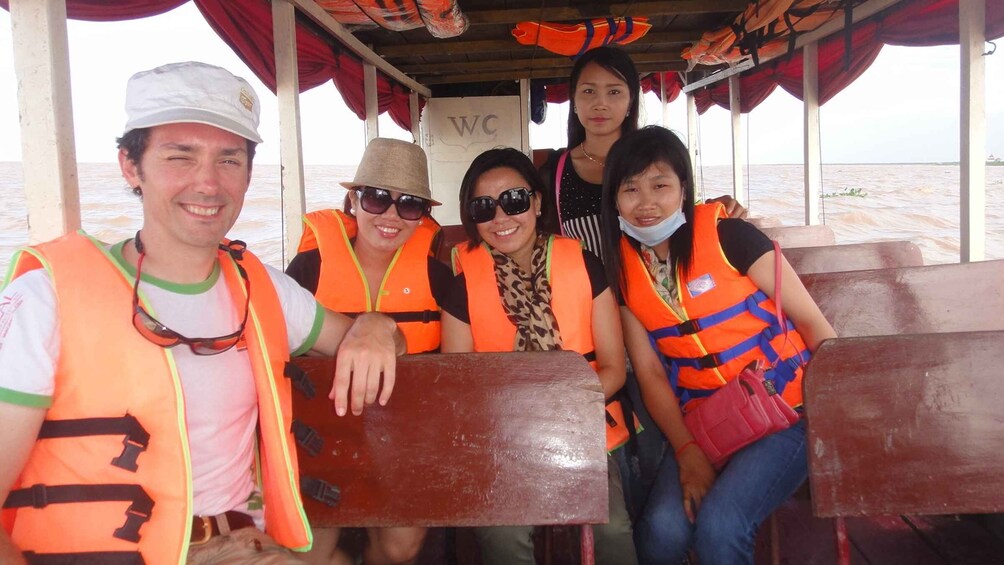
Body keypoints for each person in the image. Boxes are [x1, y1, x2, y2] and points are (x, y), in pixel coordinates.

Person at [0, 62, 403, 564]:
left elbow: (364, 336)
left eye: (229, 160)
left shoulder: (263, 289)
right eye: (180, 157)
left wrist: (375, 326)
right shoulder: (44, 299)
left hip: (242, 548)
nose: (208, 184)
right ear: (130, 165)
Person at [599, 126, 837, 564]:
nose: (646, 202)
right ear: (614, 200)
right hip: (709, 425)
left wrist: (835, 417)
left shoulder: (733, 239)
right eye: (630, 188)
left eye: (660, 185)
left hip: (788, 416)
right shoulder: (624, 273)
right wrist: (688, 452)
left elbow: (813, 323)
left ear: (684, 189)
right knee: (661, 531)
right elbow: (650, 374)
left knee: (721, 526)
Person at [440, 148, 638, 565]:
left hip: (584, 428)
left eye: (513, 200)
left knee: (613, 529)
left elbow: (614, 368)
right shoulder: (461, 288)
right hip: (504, 438)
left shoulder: (585, 264)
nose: (501, 217)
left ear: (537, 202)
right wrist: (523, 426)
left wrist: (560, 414)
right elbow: (461, 386)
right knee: (501, 536)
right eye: (483, 207)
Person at [286, 138, 453, 565]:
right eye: (377, 198)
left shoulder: (440, 274)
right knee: (310, 554)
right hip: (321, 437)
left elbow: (456, 369)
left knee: (401, 548)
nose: (392, 216)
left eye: (410, 205)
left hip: (404, 438)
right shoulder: (309, 268)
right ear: (353, 200)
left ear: (423, 217)